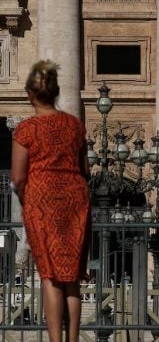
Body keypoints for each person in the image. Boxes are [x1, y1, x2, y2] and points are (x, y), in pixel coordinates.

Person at [10, 60, 91, 342]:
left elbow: (18, 177)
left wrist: (27, 198)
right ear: (56, 92)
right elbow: (85, 170)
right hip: (75, 199)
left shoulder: (26, 130)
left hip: (42, 201)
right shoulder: (74, 125)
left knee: (50, 276)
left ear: (30, 94)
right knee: (72, 278)